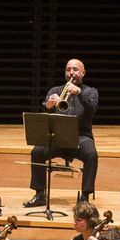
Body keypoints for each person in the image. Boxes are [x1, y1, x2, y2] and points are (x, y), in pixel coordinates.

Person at [24, 58, 100, 208]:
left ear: (83, 73)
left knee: (92, 154)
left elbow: (92, 109)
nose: (71, 72)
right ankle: (40, 194)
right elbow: (45, 114)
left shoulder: (90, 91)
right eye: (68, 69)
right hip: (58, 137)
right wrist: (49, 106)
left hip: (81, 137)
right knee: (37, 152)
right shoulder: (55, 91)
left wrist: (79, 93)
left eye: (75, 69)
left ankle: (85, 197)